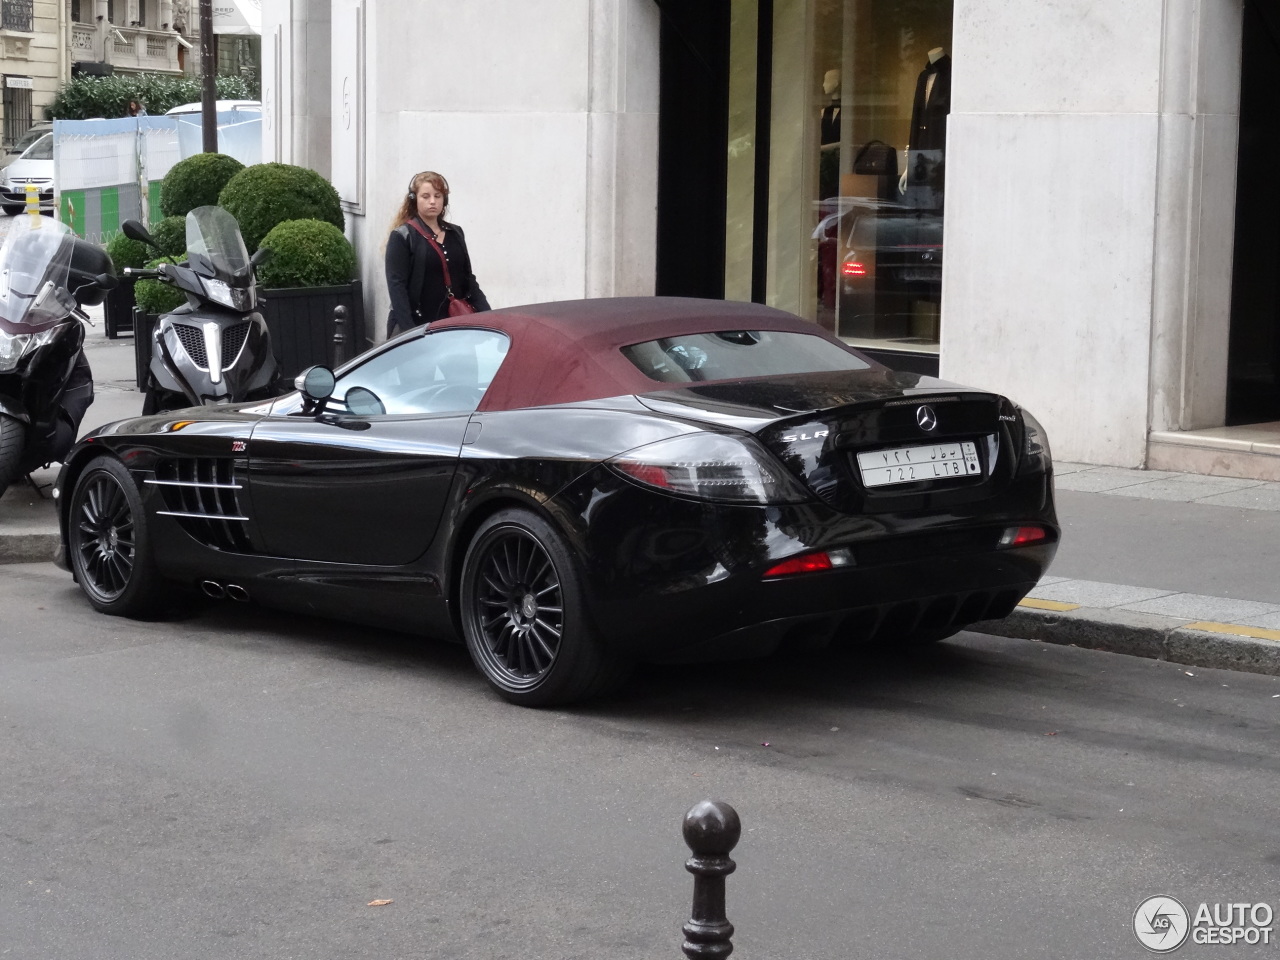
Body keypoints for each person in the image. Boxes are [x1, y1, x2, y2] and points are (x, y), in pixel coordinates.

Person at [385, 170, 489, 337]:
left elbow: (468, 279)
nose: (432, 201)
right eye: (425, 196)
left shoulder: (456, 233)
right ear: (414, 199)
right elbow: (397, 289)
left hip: (454, 324)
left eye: (438, 196)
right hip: (419, 325)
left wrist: (488, 316)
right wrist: (411, 333)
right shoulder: (402, 236)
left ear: (444, 200)